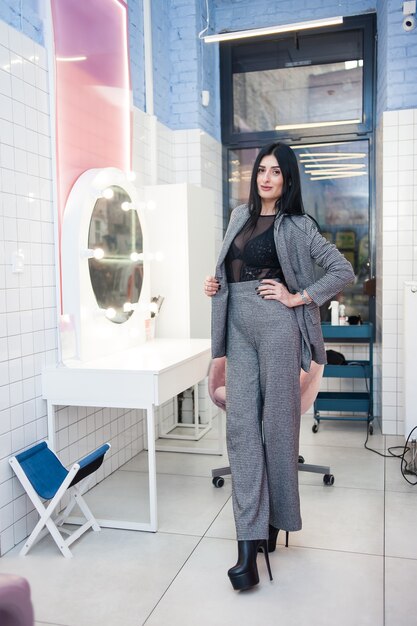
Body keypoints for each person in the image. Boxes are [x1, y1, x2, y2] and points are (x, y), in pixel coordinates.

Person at [204, 142, 355, 592]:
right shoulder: (237, 216)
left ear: (287, 179)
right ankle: (248, 545)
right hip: (237, 327)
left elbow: (341, 270)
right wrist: (215, 284)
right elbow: (231, 269)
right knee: (242, 431)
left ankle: (275, 522)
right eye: (261, 170)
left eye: (275, 172)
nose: (266, 178)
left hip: (276, 326)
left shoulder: (297, 226)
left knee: (279, 426)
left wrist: (297, 296)